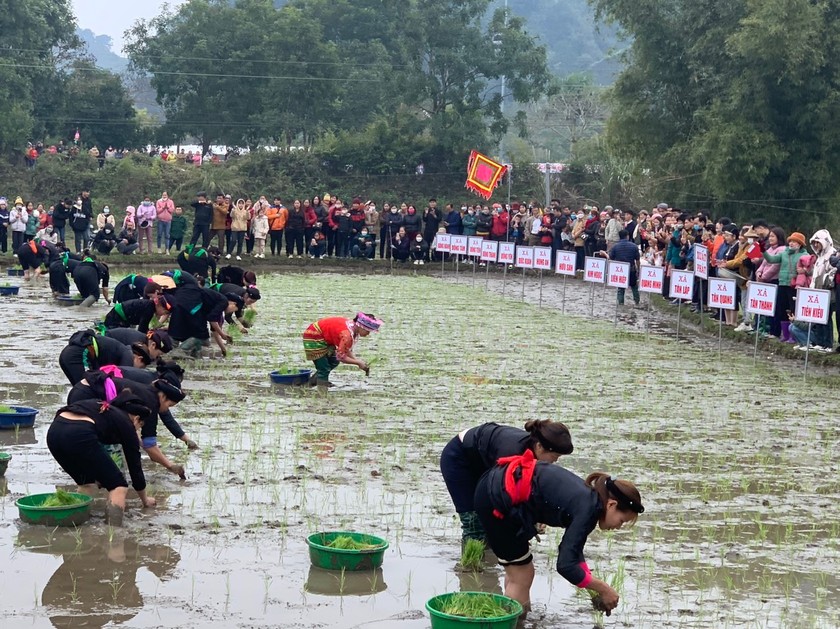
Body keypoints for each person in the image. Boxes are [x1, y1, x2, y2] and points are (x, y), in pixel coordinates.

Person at [475, 457, 643, 612]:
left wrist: (589, 581)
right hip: (496, 499)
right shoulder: (588, 511)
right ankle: (516, 623)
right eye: (621, 521)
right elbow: (565, 566)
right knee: (521, 574)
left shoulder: (590, 501)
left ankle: (512, 615)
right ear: (612, 505)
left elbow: (573, 550)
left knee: (517, 570)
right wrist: (603, 588)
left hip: (495, 486)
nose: (618, 527)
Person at [440, 420, 573, 543]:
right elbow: (503, 498)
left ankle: (489, 557)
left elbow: (529, 491)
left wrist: (536, 517)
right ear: (539, 446)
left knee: (491, 525)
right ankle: (471, 565)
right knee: (473, 524)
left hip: (484, 460)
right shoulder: (511, 454)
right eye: (555, 456)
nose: (555, 461)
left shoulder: (532, 454)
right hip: (459, 459)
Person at [46, 391, 157, 526]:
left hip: (54, 433)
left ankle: (73, 521)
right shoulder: (126, 424)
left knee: (87, 482)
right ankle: (113, 532)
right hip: (79, 433)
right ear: (136, 419)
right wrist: (145, 500)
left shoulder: (103, 410)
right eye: (140, 426)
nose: (138, 430)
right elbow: (135, 468)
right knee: (119, 485)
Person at [302, 312, 382, 387]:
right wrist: (358, 362)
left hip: (324, 337)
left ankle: (314, 381)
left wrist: (358, 361)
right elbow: (341, 357)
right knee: (323, 369)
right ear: (361, 327)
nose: (368, 334)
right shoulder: (347, 335)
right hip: (314, 336)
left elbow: (346, 350)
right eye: (368, 331)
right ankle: (322, 390)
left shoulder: (353, 328)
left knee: (334, 361)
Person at [58, 329, 150, 385]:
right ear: (139, 358)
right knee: (87, 387)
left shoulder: (122, 350)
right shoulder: (128, 357)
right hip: (78, 356)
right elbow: (121, 383)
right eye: (141, 367)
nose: (136, 370)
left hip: (67, 355)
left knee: (81, 389)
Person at [603, 229, 641, 306]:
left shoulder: (615, 247)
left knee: (620, 289)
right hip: (631, 270)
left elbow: (610, 258)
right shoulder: (634, 246)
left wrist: (604, 254)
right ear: (627, 236)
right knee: (634, 287)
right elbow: (637, 260)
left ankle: (620, 304)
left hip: (620, 271)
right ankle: (637, 302)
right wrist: (638, 269)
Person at [102, 294, 174, 332]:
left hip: (121, 316)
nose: (163, 314)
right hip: (116, 317)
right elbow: (142, 330)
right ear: (158, 304)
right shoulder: (149, 310)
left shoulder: (149, 305)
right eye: (164, 311)